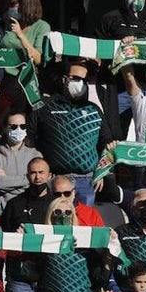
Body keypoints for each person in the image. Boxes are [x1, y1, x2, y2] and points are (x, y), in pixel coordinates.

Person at [33, 62, 112, 204]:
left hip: (87, 181)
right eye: (76, 78)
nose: (80, 83)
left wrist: (102, 172)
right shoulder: (44, 106)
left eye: (85, 80)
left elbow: (107, 142)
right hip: (56, 179)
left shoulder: (94, 109)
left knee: (84, 222)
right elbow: (31, 137)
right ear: (65, 79)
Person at [0, 109, 44, 215]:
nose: (19, 129)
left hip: (28, 210)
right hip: (1, 212)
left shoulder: (35, 155)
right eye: (14, 127)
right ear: (5, 128)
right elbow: (0, 183)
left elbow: (39, 183)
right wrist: (28, 178)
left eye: (22, 126)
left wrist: (8, 181)